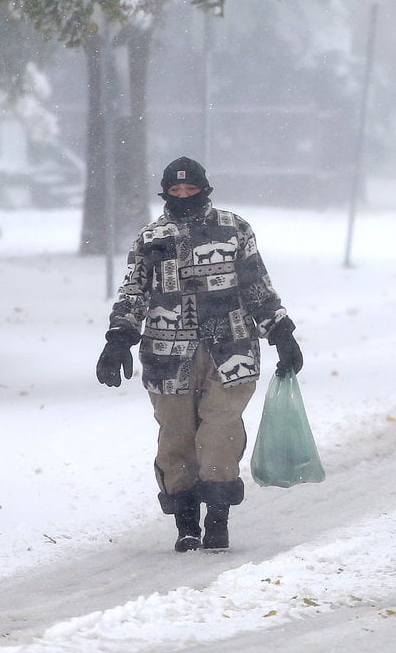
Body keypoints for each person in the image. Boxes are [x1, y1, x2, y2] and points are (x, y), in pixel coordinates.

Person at [96, 156, 303, 552]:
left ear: (204, 189)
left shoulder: (234, 229)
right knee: (177, 438)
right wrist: (119, 337)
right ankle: (186, 522)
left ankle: (218, 518)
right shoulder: (150, 238)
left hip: (232, 348)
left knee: (219, 432)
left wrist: (281, 332)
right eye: (175, 190)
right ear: (165, 193)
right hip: (166, 354)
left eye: (191, 189)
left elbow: (256, 284)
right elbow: (134, 291)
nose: (184, 195)